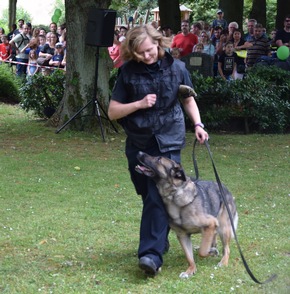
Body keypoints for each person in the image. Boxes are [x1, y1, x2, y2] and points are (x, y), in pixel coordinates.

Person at [107, 24, 209, 276]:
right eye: (140, 53)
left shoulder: (178, 69)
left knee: (156, 193)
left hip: (169, 139)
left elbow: (187, 98)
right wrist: (139, 104)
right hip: (140, 142)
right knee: (147, 193)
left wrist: (197, 123)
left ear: (159, 43)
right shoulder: (128, 72)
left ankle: (150, 255)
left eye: (149, 50)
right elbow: (112, 112)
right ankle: (159, 238)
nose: (146, 56)